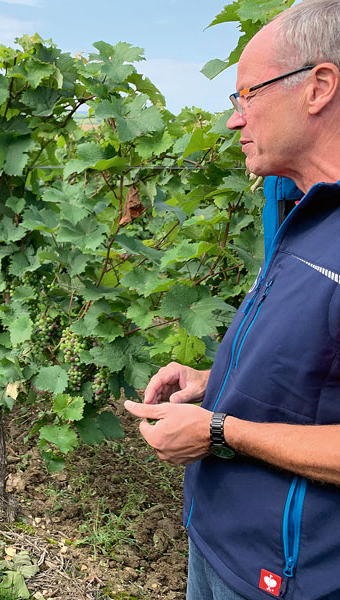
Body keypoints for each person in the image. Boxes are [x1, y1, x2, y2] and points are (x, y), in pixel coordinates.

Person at [124, 2, 340, 598]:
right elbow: (315, 372)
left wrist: (221, 430)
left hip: (289, 579)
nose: (233, 122)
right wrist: (213, 381)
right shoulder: (306, 214)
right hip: (222, 547)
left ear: (318, 87)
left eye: (246, 95)